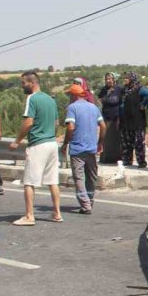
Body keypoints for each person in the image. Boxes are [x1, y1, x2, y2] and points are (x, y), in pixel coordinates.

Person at [9, 71, 61, 226]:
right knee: (52, 180)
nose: (22, 86)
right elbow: (57, 122)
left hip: (38, 144)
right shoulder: (50, 100)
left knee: (29, 181)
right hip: (52, 143)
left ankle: (29, 216)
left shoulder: (32, 98)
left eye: (23, 83)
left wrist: (17, 141)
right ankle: (57, 213)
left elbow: (28, 122)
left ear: (32, 83)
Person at [63, 83, 105, 214]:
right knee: (92, 177)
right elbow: (103, 126)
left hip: (77, 149)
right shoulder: (93, 107)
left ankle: (85, 205)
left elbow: (70, 127)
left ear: (74, 95)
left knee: (79, 177)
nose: (69, 97)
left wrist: (65, 143)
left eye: (70, 95)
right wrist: (100, 142)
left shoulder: (72, 108)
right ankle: (90, 200)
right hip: (92, 148)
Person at [119, 72, 148, 168]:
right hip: (126, 121)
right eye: (124, 78)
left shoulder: (139, 89)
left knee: (138, 143)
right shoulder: (125, 90)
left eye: (127, 78)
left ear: (132, 80)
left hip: (137, 121)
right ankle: (127, 160)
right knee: (126, 142)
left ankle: (141, 162)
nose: (125, 80)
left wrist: (143, 104)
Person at [97, 72, 123, 164]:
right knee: (106, 139)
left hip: (117, 118)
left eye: (109, 79)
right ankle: (107, 158)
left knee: (116, 139)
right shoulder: (103, 90)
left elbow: (123, 102)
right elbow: (99, 102)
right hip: (106, 118)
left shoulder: (119, 89)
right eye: (106, 79)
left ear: (114, 79)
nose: (108, 80)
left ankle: (118, 159)